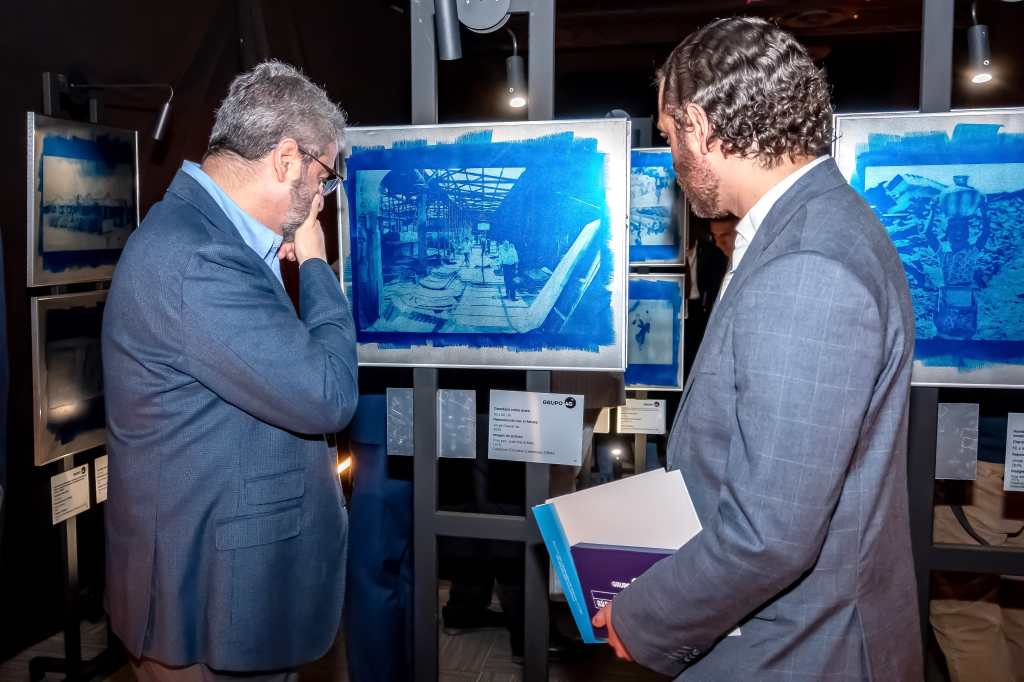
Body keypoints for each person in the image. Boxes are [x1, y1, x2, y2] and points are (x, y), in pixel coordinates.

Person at [593, 17, 922, 680]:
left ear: (699, 124)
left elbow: (768, 536)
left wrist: (644, 616)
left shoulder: (807, 265)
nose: (672, 164)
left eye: (669, 138)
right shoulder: (822, 224)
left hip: (794, 649)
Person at [102, 61, 359, 681]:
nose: (322, 198)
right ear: (288, 159)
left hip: (229, 585)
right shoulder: (200, 257)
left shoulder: (208, 235)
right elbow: (327, 394)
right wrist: (318, 266)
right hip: (205, 603)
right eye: (325, 177)